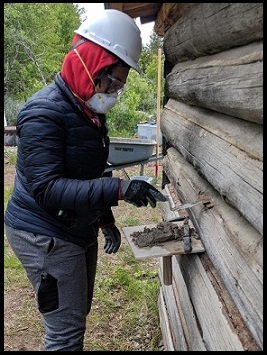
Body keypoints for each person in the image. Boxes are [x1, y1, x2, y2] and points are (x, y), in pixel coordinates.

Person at [4, 9, 166, 351]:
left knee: (77, 313)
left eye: (121, 85)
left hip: (74, 225)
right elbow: (47, 189)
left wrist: (104, 217)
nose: (115, 91)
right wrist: (120, 189)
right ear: (90, 64)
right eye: (113, 81)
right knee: (65, 333)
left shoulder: (87, 111)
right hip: (43, 232)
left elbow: (88, 171)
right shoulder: (43, 112)